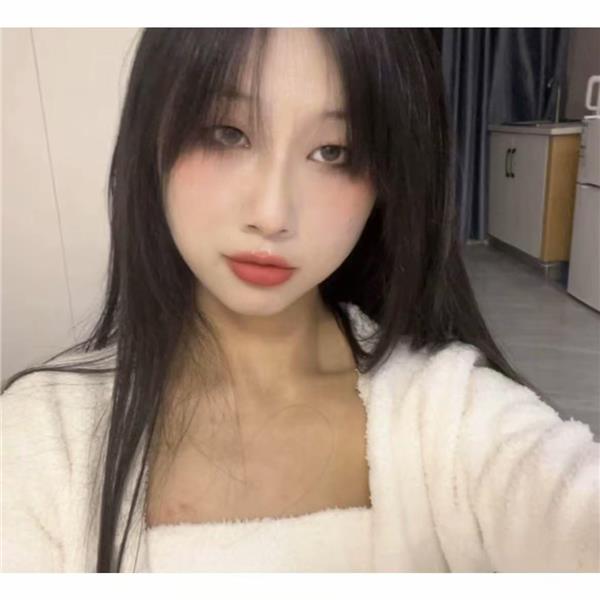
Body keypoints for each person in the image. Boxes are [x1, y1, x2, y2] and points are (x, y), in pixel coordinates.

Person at [1, 28, 598, 573]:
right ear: (152, 134)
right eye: (228, 132)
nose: (272, 214)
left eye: (333, 151)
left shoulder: (446, 409)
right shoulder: (45, 437)